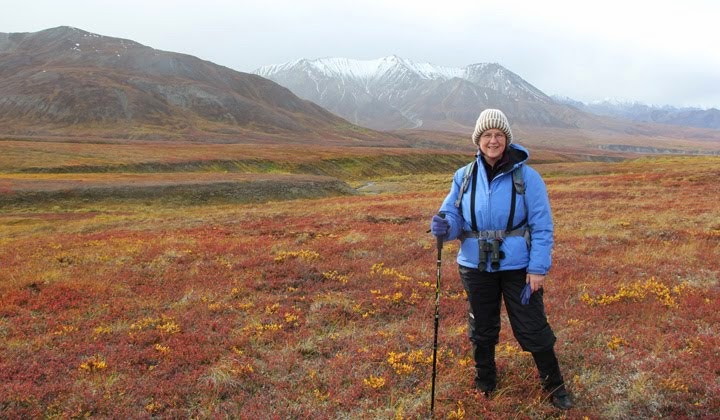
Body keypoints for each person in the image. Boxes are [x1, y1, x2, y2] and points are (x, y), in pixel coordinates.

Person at [429, 108, 572, 410]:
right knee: (481, 327)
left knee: (532, 326)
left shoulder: (528, 178)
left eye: (498, 135)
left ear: (506, 139)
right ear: (477, 141)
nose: (492, 140)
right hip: (475, 266)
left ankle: (554, 385)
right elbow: (453, 216)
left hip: (519, 268)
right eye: (487, 135)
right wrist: (444, 225)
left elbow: (542, 225)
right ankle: (485, 382)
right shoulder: (463, 177)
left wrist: (537, 267)